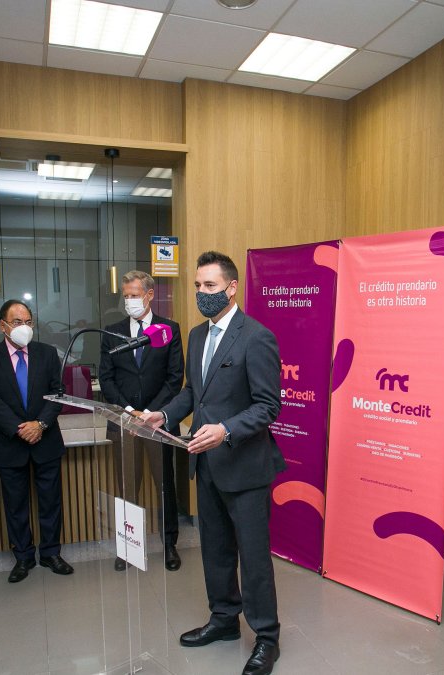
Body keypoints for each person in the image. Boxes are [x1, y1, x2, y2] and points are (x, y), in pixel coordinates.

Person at [140, 251, 284, 675]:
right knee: (216, 552)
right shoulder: (198, 336)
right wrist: (164, 414)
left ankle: (267, 638)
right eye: (198, 286)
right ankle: (223, 619)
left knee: (253, 559)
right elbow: (193, 392)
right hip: (206, 465)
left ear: (232, 288)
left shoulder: (257, 337)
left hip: (245, 468)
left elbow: (268, 406)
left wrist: (226, 430)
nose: (202, 293)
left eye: (210, 286)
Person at [0, 299, 73, 582]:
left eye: (28, 322)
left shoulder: (47, 353)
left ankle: (51, 553)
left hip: (46, 439)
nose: (24, 327)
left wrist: (40, 424)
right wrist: (19, 428)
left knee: (50, 502)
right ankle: (23, 557)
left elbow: (58, 393)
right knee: (15, 505)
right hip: (10, 442)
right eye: (17, 322)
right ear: (3, 325)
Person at [99, 270, 185, 572]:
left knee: (165, 486)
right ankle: (127, 548)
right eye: (126, 296)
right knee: (127, 487)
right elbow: (106, 378)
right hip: (123, 421)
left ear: (149, 295)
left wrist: (149, 413)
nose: (129, 301)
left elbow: (174, 378)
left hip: (158, 422)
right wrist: (128, 410)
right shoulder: (112, 332)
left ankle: (170, 545)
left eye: (134, 295)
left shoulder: (169, 329)